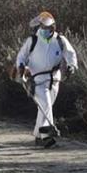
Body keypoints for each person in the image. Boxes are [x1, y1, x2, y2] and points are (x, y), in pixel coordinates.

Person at [15, 11, 77, 147]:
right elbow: (21, 56)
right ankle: (47, 136)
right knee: (46, 105)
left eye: (48, 28)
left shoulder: (60, 40)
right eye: (43, 27)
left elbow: (70, 53)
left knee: (44, 109)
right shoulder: (33, 40)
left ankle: (38, 135)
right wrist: (21, 67)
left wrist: (72, 66)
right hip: (37, 80)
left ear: (53, 27)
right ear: (39, 27)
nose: (45, 30)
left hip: (54, 80)